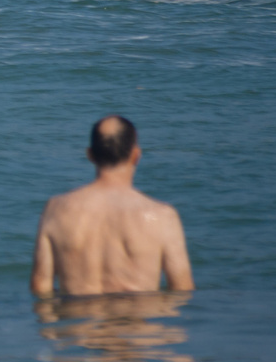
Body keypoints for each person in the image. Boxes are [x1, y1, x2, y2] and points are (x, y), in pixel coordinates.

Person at [30, 115, 194, 297]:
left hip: (77, 323)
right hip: (136, 322)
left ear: (90, 155)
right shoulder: (163, 217)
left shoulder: (56, 209)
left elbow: (40, 287)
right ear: (136, 155)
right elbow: (182, 292)